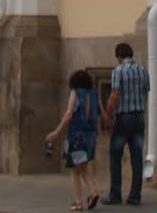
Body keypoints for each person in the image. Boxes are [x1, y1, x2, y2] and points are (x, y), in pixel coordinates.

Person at [43, 67, 103, 211]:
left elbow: (69, 114)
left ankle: (78, 202)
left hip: (77, 136)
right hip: (90, 137)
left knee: (75, 170)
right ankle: (93, 192)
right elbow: (100, 114)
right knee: (84, 167)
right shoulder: (94, 94)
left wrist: (56, 132)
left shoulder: (75, 93)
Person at [103, 40, 148, 205]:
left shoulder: (118, 71)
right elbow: (145, 92)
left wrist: (108, 114)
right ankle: (135, 195)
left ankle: (115, 194)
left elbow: (115, 95)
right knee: (137, 157)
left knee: (115, 156)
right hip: (139, 116)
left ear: (118, 57)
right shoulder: (143, 71)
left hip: (123, 118)